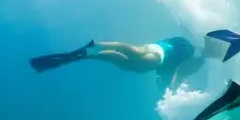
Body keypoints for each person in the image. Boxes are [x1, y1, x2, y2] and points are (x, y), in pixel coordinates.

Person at [30, 35, 216, 92]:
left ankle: (96, 46)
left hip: (156, 46)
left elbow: (171, 43)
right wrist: (173, 90)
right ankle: (90, 55)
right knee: (134, 64)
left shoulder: (183, 41)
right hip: (160, 58)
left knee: (134, 51)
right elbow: (178, 73)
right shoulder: (193, 58)